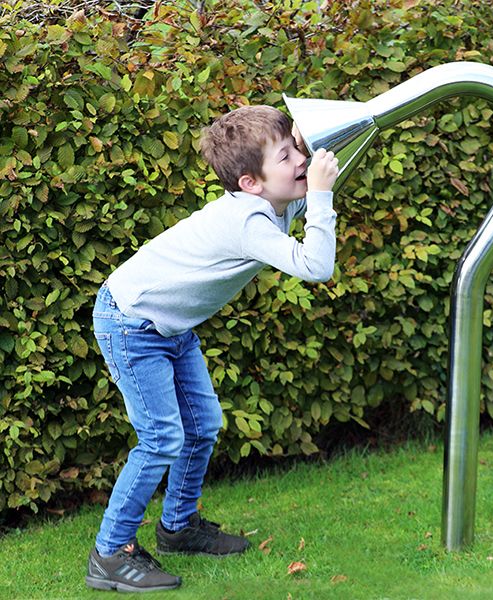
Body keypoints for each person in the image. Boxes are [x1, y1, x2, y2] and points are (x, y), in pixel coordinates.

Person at [85, 104, 339, 592]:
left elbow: (320, 180)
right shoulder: (248, 221)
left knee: (203, 427)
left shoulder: (276, 200)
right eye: (286, 156)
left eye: (296, 150)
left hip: (169, 326)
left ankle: (178, 529)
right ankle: (110, 554)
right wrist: (323, 195)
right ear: (250, 183)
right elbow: (315, 265)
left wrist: (317, 148)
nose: (300, 162)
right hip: (131, 322)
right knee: (161, 438)